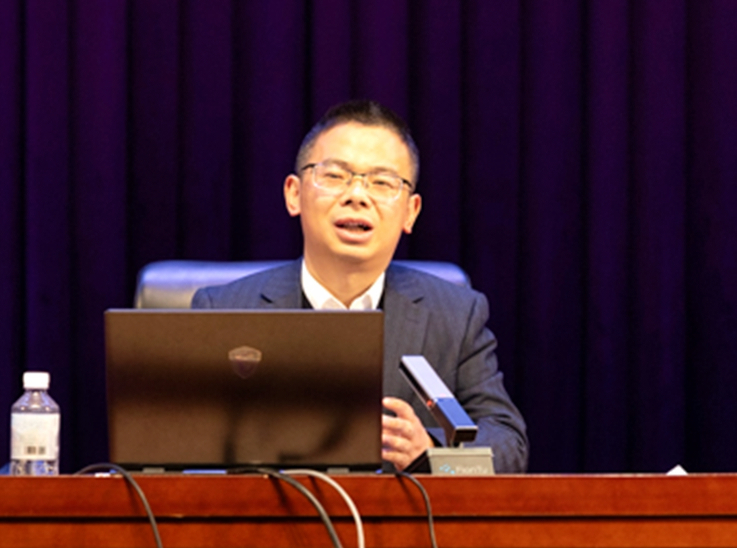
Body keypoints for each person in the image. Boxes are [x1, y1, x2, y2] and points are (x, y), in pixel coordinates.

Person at [192, 101, 528, 473]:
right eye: (335, 175)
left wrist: (432, 454)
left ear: (411, 212)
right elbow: (185, 448)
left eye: (382, 183)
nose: (357, 195)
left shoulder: (454, 316)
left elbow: (507, 442)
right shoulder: (225, 310)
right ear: (293, 194)